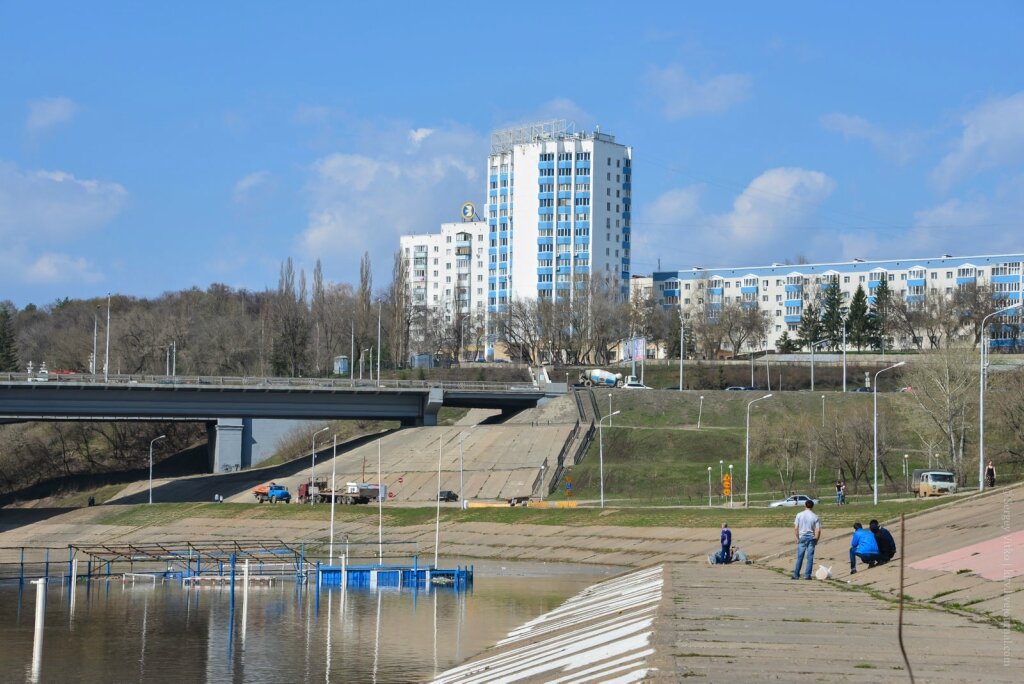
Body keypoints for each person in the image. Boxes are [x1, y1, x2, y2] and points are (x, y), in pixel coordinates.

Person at [792, 500, 821, 580]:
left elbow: (796, 528)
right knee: (810, 557)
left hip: (802, 537)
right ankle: (807, 575)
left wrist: (797, 538)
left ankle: (796, 574)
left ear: (805, 505)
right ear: (812, 506)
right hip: (811, 537)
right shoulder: (815, 516)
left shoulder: (799, 515)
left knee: (800, 557)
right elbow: (818, 530)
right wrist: (817, 540)